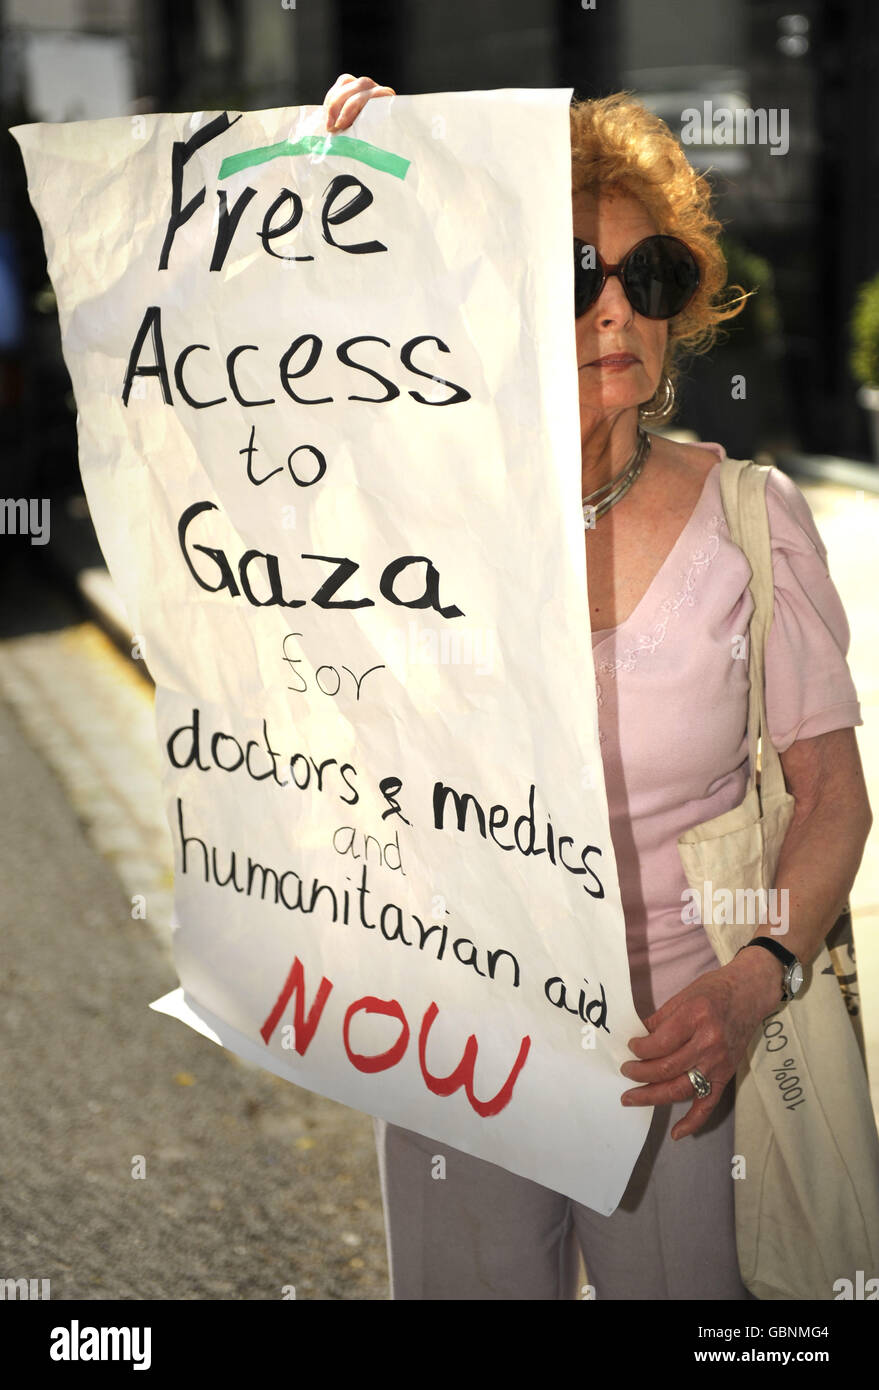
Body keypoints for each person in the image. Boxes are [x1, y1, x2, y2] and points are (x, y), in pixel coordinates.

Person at [321, 73, 873, 1300]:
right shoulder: (412, 515)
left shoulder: (751, 518)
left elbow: (834, 791)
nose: (615, 309)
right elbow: (270, 411)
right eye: (575, 273)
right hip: (461, 1025)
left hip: (678, 1051)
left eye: (650, 276)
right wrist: (357, 181)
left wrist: (759, 976)